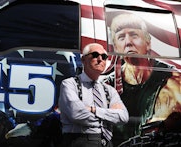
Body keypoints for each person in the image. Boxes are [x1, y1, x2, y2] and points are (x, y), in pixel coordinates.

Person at [104, 13, 181, 145]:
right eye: (121, 37)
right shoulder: (107, 86)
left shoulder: (172, 82)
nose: (128, 42)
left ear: (148, 42)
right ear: (115, 48)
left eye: (134, 35)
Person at [58, 43, 129, 147]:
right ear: (83, 60)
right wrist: (109, 117)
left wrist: (93, 110)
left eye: (104, 57)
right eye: (95, 55)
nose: (100, 59)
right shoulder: (69, 84)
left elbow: (123, 117)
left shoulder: (109, 90)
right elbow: (77, 114)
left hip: (107, 142)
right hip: (81, 140)